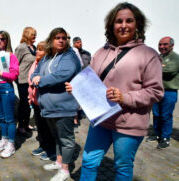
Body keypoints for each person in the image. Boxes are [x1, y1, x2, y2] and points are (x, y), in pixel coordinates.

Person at [65, 2, 164, 180]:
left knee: (122, 167)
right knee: (88, 162)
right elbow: (90, 81)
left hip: (129, 124)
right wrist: (77, 89)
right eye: (119, 21)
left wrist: (124, 97)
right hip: (101, 119)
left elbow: (156, 91)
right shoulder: (101, 52)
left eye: (129, 21)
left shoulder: (149, 55)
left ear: (137, 24)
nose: (124, 25)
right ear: (112, 25)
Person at [31, 27, 81, 181]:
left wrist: (41, 81)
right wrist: (34, 77)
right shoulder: (47, 57)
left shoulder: (69, 56)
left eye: (64, 38)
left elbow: (62, 75)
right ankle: (59, 162)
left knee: (66, 139)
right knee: (57, 137)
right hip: (49, 107)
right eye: (57, 37)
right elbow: (36, 71)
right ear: (51, 40)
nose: (61, 40)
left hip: (63, 106)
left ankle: (65, 170)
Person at [0, 30, 19, 158]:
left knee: (10, 118)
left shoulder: (11, 56)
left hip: (6, 88)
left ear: (7, 40)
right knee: (0, 117)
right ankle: (4, 139)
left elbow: (14, 75)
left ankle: (11, 144)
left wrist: (1, 73)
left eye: (2, 39)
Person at [147, 37, 179, 149]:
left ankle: (166, 138)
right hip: (156, 91)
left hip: (169, 92)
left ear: (172, 45)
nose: (161, 47)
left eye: (165, 44)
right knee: (156, 114)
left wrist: (154, 69)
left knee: (166, 115)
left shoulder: (175, 58)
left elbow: (170, 71)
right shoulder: (159, 57)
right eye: (160, 44)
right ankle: (157, 134)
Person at [28, 41, 56, 161]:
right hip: (35, 101)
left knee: (48, 128)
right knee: (40, 127)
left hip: (45, 102)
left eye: (40, 49)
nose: (37, 51)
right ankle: (43, 146)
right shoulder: (35, 63)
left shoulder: (47, 64)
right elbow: (30, 80)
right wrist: (30, 98)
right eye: (37, 49)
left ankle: (51, 150)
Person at [15, 27, 36, 134]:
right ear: (27, 35)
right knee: (23, 103)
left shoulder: (35, 48)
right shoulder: (21, 48)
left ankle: (26, 123)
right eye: (33, 34)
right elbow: (15, 63)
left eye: (35, 34)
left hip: (31, 81)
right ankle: (20, 126)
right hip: (22, 80)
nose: (35, 36)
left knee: (29, 102)